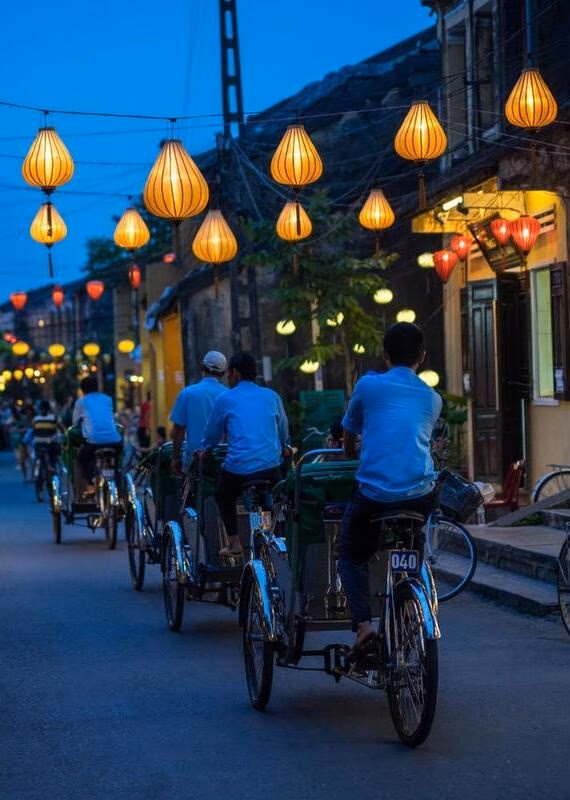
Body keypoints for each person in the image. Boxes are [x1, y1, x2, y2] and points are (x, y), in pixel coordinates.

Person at [338, 323, 442, 649]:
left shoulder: (368, 386)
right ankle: (411, 596)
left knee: (351, 554)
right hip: (420, 493)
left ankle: (364, 624)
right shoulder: (432, 398)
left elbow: (349, 432)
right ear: (422, 357)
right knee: (414, 537)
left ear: (385, 356)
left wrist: (351, 453)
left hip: (374, 494)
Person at [201, 351, 290, 558]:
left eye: (230, 372)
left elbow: (212, 434)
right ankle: (272, 533)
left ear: (236, 373)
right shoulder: (271, 396)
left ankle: (234, 543)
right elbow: (283, 428)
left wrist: (205, 449)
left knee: (224, 495)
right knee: (277, 496)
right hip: (270, 469)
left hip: (238, 470)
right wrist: (286, 445)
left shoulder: (226, 398)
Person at [169, 351, 228, 476]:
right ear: (223, 373)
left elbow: (178, 430)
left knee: (189, 491)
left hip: (195, 459)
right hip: (223, 458)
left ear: (202, 367)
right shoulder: (229, 395)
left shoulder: (188, 393)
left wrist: (175, 458)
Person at [72, 375, 122, 491]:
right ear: (98, 387)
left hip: (93, 441)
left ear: (82, 390)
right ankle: (119, 483)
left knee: (82, 459)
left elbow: (75, 423)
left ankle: (90, 484)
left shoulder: (81, 402)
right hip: (115, 440)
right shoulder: (108, 399)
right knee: (117, 461)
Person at [30, 400, 61, 469]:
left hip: (38, 442)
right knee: (54, 454)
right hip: (50, 443)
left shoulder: (36, 418)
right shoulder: (54, 418)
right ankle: (52, 468)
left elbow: (33, 428)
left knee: (36, 454)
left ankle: (37, 467)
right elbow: (61, 428)